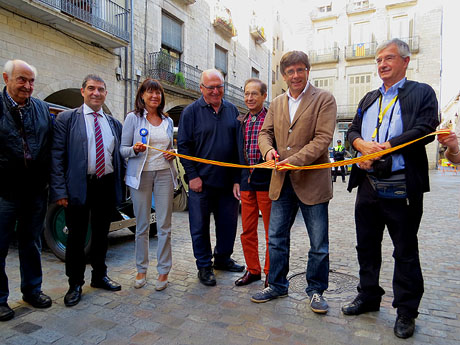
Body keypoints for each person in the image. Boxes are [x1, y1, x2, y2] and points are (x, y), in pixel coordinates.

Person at [342, 39, 439, 339]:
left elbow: (426, 129)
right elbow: (353, 132)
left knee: (405, 251)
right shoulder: (369, 97)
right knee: (366, 246)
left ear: (405, 61)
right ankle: (369, 295)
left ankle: (406, 311)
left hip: (403, 187)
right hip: (368, 186)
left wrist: (387, 147)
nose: (382, 64)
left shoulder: (421, 92)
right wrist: (360, 147)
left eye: (389, 58)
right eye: (379, 60)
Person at [251, 51, 337, 315]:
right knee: (276, 237)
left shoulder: (324, 99)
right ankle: (277, 284)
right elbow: (264, 133)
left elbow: (323, 139)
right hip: (281, 182)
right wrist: (268, 152)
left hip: (312, 183)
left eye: (300, 70)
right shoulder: (276, 103)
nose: (296, 76)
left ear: (308, 71)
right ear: (284, 76)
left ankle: (316, 291)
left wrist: (294, 160)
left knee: (318, 243)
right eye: (290, 72)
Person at [50, 74, 125, 307]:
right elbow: (57, 157)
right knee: (76, 237)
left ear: (105, 94)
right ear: (83, 91)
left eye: (101, 89)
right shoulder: (67, 119)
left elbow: (119, 156)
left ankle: (99, 276)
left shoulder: (113, 123)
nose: (96, 93)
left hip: (105, 184)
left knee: (102, 235)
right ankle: (75, 283)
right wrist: (60, 191)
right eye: (91, 88)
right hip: (78, 186)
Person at [178, 69, 244, 287]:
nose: (216, 91)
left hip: (227, 185)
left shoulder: (232, 110)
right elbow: (184, 147)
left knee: (228, 225)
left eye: (219, 86)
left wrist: (237, 179)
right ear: (201, 88)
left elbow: (237, 148)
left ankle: (222, 259)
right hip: (201, 185)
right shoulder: (190, 112)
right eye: (211, 87)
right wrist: (193, 176)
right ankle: (204, 266)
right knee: (199, 227)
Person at [0, 60, 53, 321]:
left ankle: (32, 290)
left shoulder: (43, 110)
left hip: (35, 192)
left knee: (31, 243)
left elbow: (52, 149)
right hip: (4, 193)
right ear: (6, 78)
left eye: (31, 81)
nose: (28, 86)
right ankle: (0, 300)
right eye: (22, 79)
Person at [120, 79, 176, 291]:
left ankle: (163, 271)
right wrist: (134, 149)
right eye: (150, 93)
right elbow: (122, 150)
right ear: (142, 95)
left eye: (158, 93)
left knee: (164, 226)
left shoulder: (167, 121)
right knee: (142, 226)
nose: (154, 96)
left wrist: (172, 154)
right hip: (140, 176)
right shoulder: (133, 118)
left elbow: (169, 147)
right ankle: (141, 269)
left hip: (164, 174)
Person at [233, 78, 272, 288]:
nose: (249, 98)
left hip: (266, 183)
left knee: (269, 232)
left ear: (264, 96)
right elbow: (238, 154)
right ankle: (253, 270)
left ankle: (270, 274)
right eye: (247, 93)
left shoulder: (272, 120)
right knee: (247, 230)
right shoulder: (242, 121)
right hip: (246, 183)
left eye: (254, 94)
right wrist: (238, 180)